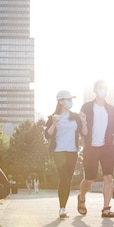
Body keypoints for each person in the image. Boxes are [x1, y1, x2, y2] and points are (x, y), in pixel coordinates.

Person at [77, 80, 114, 217]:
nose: (103, 90)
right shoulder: (87, 107)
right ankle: (81, 197)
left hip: (107, 147)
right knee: (90, 179)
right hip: (91, 148)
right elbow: (82, 131)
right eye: (100, 88)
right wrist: (84, 144)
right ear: (95, 90)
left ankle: (106, 208)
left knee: (108, 177)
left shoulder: (111, 109)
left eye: (105, 88)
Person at [44, 90, 86, 218]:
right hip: (58, 152)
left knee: (68, 180)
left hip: (72, 152)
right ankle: (62, 209)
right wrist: (54, 123)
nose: (70, 102)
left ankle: (64, 207)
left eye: (71, 99)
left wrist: (84, 121)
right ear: (61, 101)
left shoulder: (76, 117)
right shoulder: (53, 117)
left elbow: (84, 133)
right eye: (68, 99)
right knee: (64, 178)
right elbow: (47, 135)